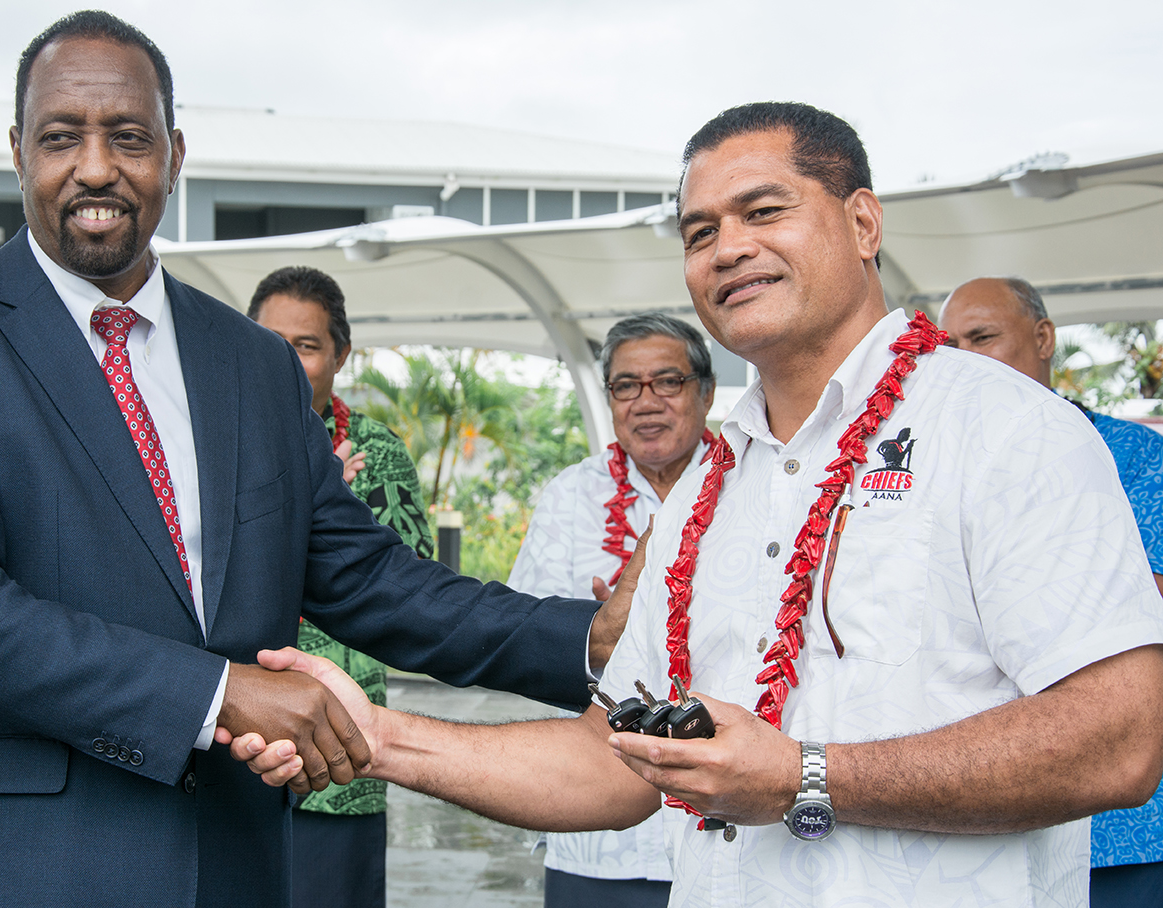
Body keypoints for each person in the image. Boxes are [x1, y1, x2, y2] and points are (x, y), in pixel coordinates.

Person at [236, 102, 1163, 908]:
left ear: (865, 221)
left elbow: (1123, 736)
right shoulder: (713, 490)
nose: (729, 247)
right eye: (698, 231)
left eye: (764, 211)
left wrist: (805, 777)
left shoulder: (1002, 427)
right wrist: (379, 734)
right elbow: (613, 761)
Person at [0, 12, 618, 907]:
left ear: (173, 152)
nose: (95, 167)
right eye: (61, 138)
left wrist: (583, 638)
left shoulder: (253, 363)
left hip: (227, 861)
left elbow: (365, 576)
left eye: (128, 137)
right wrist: (217, 695)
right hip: (1, 864)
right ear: (18, 151)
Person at [940, 276, 1163, 908]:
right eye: (949, 345)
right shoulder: (930, 464)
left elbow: (1140, 610)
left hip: (1127, 830)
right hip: (984, 815)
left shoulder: (1138, 456)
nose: (962, 359)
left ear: (1044, 339)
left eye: (982, 338)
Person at [507, 311, 715, 907]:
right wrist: (593, 632)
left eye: (666, 381)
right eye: (627, 385)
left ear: (703, 392)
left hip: (726, 823)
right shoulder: (571, 496)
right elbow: (528, 637)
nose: (645, 401)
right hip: (598, 832)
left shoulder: (747, 483)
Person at [249, 265, 435, 908]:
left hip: (339, 739)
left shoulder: (376, 451)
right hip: (233, 731)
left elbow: (408, 585)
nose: (287, 361)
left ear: (340, 355)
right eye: (269, 341)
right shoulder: (213, 442)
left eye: (306, 345)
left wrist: (334, 510)